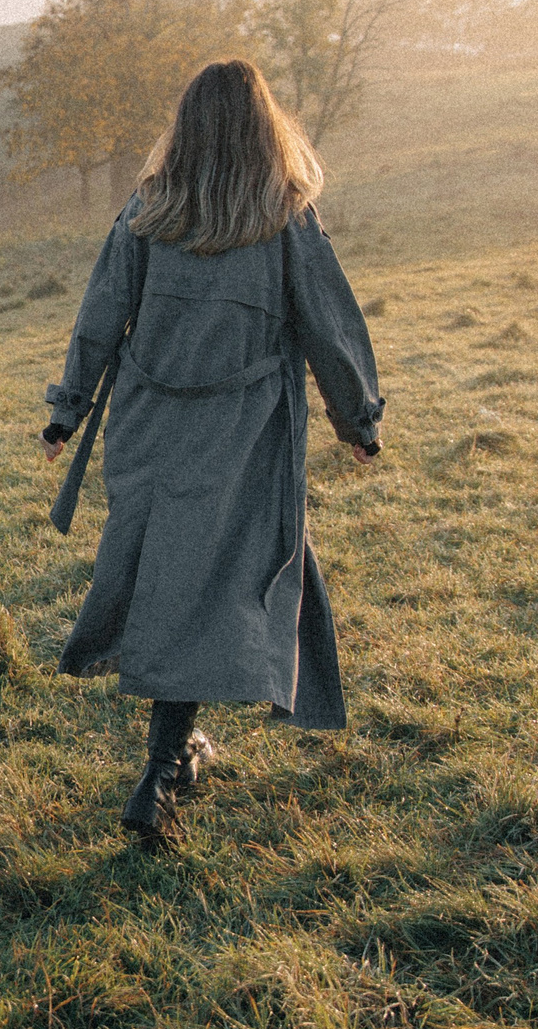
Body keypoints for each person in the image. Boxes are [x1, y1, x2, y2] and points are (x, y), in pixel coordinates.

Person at [39, 58, 383, 848]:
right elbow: (329, 324)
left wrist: (68, 408)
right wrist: (357, 419)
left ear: (187, 125)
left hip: (152, 432)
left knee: (177, 584)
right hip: (244, 439)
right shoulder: (286, 214)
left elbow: (101, 312)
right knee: (221, 584)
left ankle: (171, 757)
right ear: (266, 128)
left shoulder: (149, 209)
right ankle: (164, 766)